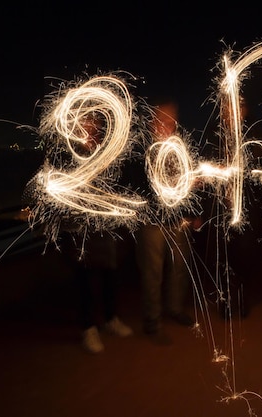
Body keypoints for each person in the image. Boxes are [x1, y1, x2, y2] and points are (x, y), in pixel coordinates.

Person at [61, 112, 132, 354]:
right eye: (85, 121)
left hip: (105, 226)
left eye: (94, 122)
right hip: (80, 229)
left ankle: (111, 318)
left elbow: (116, 184)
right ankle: (88, 328)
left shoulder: (105, 151)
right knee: (85, 280)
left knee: (110, 275)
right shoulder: (69, 153)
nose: (90, 126)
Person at [133, 98, 197, 346]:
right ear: (152, 121)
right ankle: (152, 322)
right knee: (153, 273)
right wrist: (169, 188)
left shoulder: (179, 147)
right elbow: (139, 187)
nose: (166, 124)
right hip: (152, 222)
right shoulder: (142, 149)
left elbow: (187, 179)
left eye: (171, 120)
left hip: (177, 219)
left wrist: (190, 186)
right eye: (161, 119)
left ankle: (175, 309)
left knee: (180, 267)